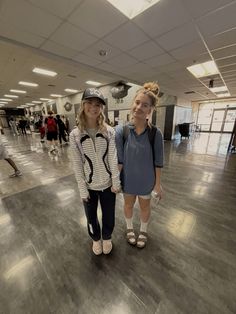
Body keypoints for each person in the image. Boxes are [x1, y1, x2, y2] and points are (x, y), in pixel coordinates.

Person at [70, 88, 121, 255]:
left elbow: (113, 158)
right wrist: (82, 189)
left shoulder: (109, 131)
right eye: (90, 103)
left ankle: (107, 237)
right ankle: (95, 239)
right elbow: (77, 164)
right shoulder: (75, 135)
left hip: (107, 186)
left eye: (97, 104)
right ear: (83, 105)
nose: (94, 107)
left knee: (109, 215)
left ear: (102, 108)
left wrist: (116, 181)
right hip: (89, 187)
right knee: (91, 217)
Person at [115, 82, 164, 249]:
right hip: (128, 180)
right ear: (132, 103)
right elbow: (119, 160)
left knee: (145, 207)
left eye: (145, 105)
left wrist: (158, 184)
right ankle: (129, 229)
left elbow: (158, 162)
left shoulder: (155, 133)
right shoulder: (122, 131)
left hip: (146, 181)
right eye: (137, 103)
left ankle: (143, 230)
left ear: (150, 110)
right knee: (128, 204)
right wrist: (115, 181)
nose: (139, 107)